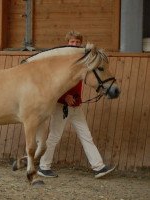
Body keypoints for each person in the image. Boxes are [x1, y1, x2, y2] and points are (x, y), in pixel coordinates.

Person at [37, 31, 115, 179]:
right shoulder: (60, 62)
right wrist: (64, 96)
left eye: (78, 42)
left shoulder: (82, 61)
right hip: (62, 106)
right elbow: (53, 84)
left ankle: (99, 167)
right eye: (72, 42)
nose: (75, 44)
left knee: (86, 135)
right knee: (54, 136)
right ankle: (43, 167)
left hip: (76, 105)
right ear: (68, 43)